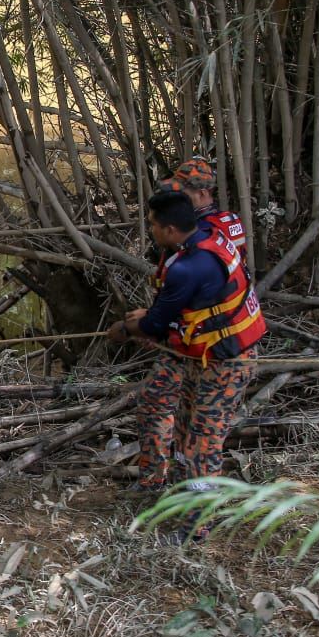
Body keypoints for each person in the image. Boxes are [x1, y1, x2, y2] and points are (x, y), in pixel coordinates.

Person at [109, 192, 265, 540]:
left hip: (227, 364)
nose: (150, 229)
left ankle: (197, 527)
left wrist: (125, 330)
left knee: (201, 445)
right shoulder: (206, 238)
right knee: (182, 427)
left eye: (152, 224)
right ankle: (178, 497)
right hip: (203, 355)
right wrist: (150, 319)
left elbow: (154, 326)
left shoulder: (188, 267)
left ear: (169, 229)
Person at [159, 157, 247, 261]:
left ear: (201, 194)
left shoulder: (199, 230)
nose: (176, 196)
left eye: (181, 192)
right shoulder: (232, 219)